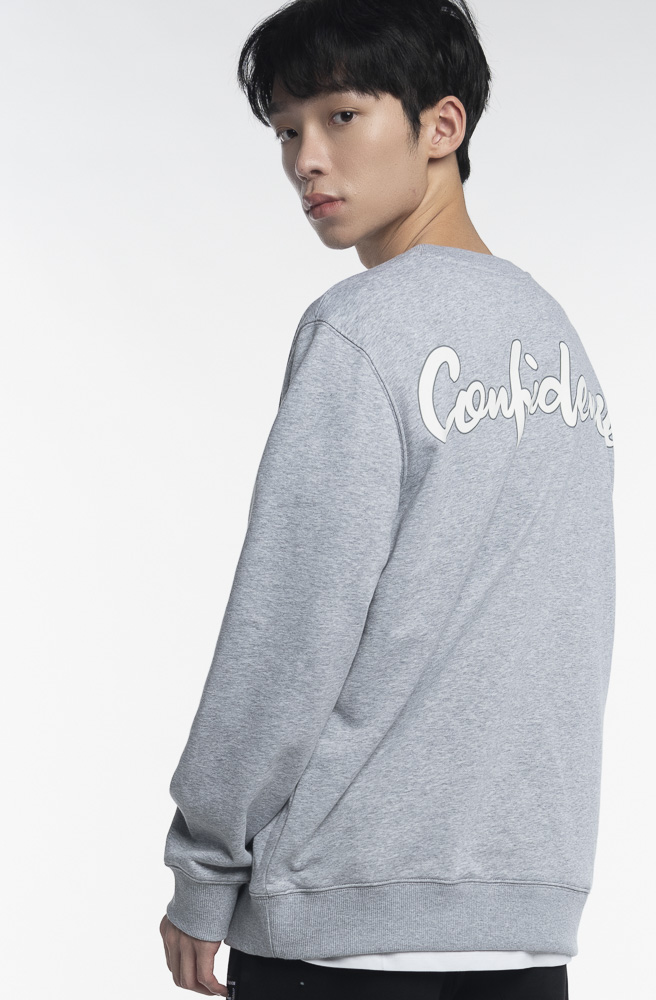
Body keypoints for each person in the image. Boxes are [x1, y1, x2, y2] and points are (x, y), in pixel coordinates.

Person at [159, 0, 616, 996]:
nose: (306, 161)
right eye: (286, 131)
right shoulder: (557, 342)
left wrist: (204, 863)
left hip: (341, 923)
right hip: (524, 931)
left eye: (340, 116)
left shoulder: (361, 329)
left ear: (441, 126)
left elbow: (289, 626)